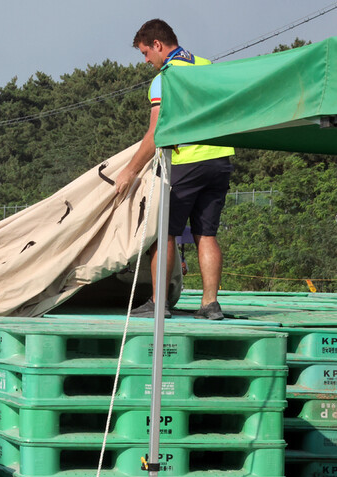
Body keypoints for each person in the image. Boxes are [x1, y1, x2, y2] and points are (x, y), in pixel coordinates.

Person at [114, 19, 234, 320]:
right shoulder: (207, 66)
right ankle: (210, 304)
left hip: (186, 162)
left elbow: (155, 135)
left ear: (158, 45)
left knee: (164, 233)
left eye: (145, 53)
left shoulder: (165, 79)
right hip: (220, 159)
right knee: (206, 234)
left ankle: (159, 303)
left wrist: (129, 171)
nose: (145, 61)